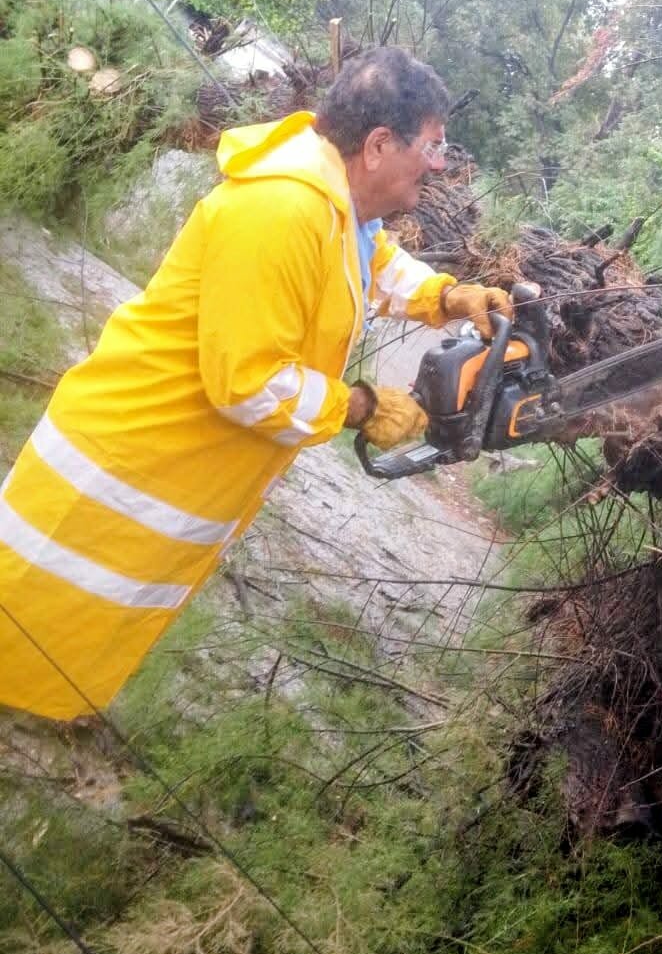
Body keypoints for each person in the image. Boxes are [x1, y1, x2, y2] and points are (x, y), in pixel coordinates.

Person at [0, 47, 512, 720]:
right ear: (381, 145)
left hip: (167, 480)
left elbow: (374, 263)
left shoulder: (338, 205)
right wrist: (357, 406)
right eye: (434, 147)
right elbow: (248, 385)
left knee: (50, 656)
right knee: (24, 623)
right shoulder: (281, 211)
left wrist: (446, 297)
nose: (439, 166)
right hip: (116, 474)